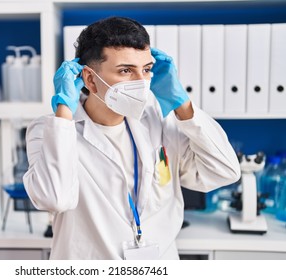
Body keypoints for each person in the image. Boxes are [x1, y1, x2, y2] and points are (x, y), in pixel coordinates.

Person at [23, 16, 240, 260]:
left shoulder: (160, 120)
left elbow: (226, 170)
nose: (140, 82)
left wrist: (183, 105)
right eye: (126, 71)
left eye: (146, 70)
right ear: (91, 79)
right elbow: (55, 198)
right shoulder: (50, 130)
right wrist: (63, 111)